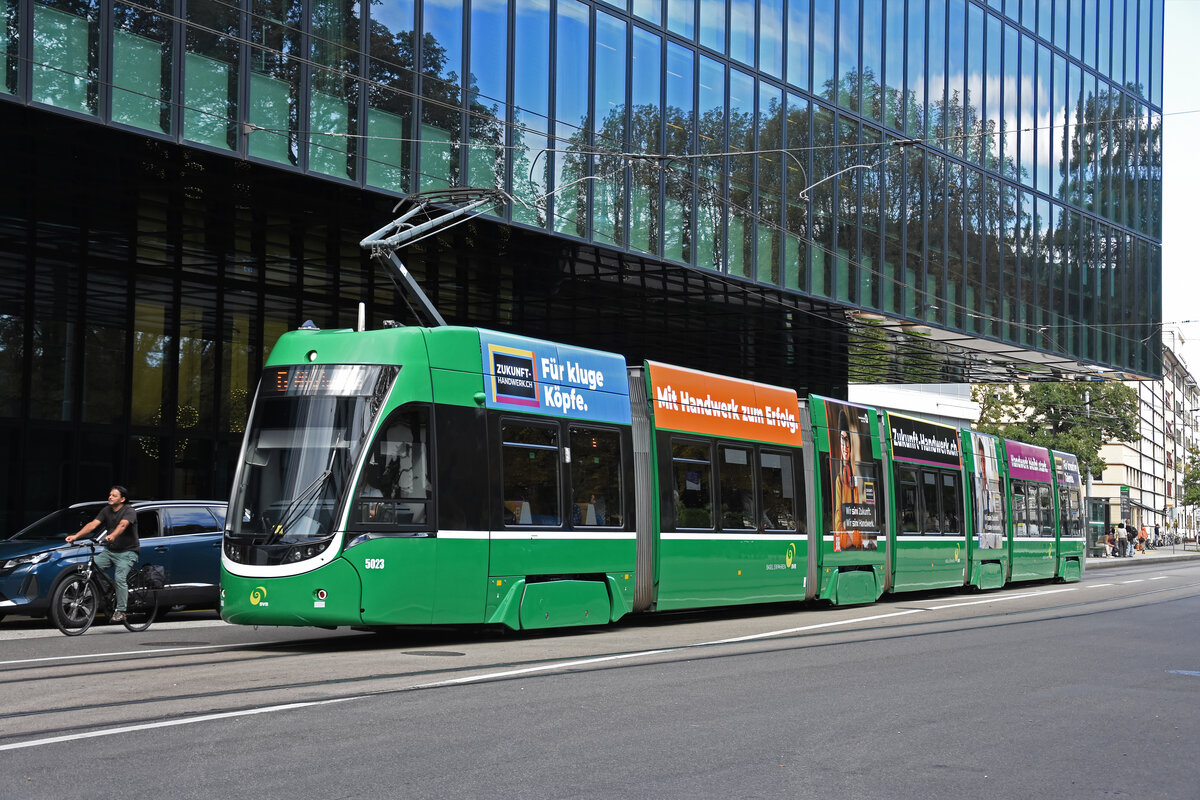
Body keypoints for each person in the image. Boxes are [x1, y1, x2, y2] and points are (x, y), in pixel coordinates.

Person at [65, 486, 139, 623]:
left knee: (120, 578)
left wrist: (112, 536)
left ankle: (121, 610)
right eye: (110, 494)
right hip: (111, 551)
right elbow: (92, 525)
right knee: (93, 568)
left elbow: (123, 525)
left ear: (122, 499)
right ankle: (110, 591)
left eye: (114, 495)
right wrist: (75, 536)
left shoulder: (129, 511)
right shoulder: (106, 510)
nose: (110, 497)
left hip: (128, 552)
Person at [831, 411, 862, 550]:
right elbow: (838, 513)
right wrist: (846, 538)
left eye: (847, 440)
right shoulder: (839, 479)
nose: (845, 446)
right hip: (846, 541)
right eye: (842, 440)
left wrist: (854, 536)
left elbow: (861, 511)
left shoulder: (857, 475)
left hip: (855, 540)